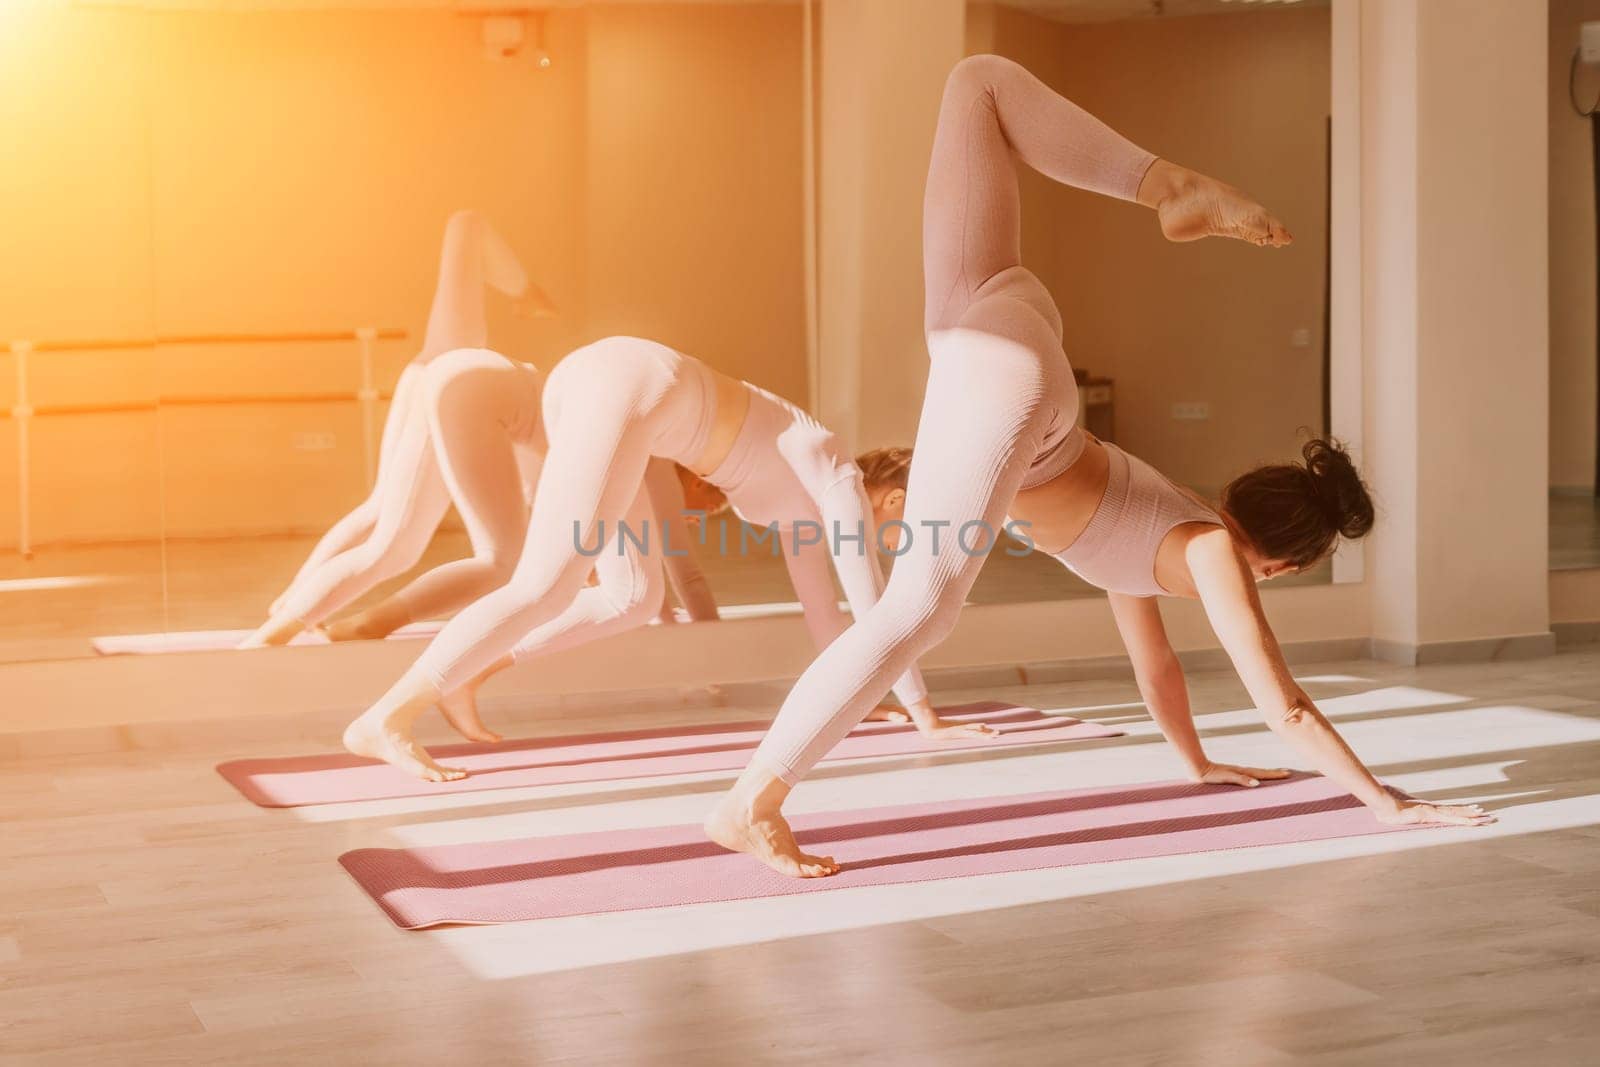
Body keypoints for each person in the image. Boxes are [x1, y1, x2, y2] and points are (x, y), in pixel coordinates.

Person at [703, 54, 1492, 879]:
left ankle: (1164, 185)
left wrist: (1196, 764)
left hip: (999, 321)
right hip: (1021, 395)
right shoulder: (1211, 554)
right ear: (1285, 562)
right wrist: (1386, 800)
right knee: (919, 609)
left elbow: (1154, 667)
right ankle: (749, 802)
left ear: (1238, 491)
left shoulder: (1166, 531)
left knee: (978, 84)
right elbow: (1283, 704)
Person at [340, 339, 985, 781]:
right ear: (895, 496)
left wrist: (868, 697)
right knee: (547, 582)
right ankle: (384, 717)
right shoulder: (836, 472)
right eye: (904, 526)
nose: (898, 542)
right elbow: (872, 602)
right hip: (636, 384)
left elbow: (828, 619)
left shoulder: (807, 512)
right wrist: (925, 715)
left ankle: (469, 676)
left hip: (623, 394)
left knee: (633, 596)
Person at [243, 211, 552, 648]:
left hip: (429, 375)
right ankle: (276, 631)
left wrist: (524, 290)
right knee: (395, 545)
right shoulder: (467, 354)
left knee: (382, 516)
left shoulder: (463, 353)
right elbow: (465, 225)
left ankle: (292, 605)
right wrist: (525, 290)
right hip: (452, 387)